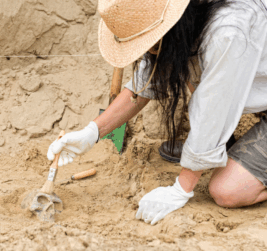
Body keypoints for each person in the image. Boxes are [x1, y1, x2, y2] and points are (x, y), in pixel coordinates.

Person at [48, 0, 267, 225]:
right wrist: (92, 132)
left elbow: (214, 107)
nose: (145, 53)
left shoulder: (229, 33)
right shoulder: (185, 21)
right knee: (188, 65)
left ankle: (210, 151)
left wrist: (181, 188)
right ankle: (212, 149)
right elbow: (147, 81)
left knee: (227, 190)